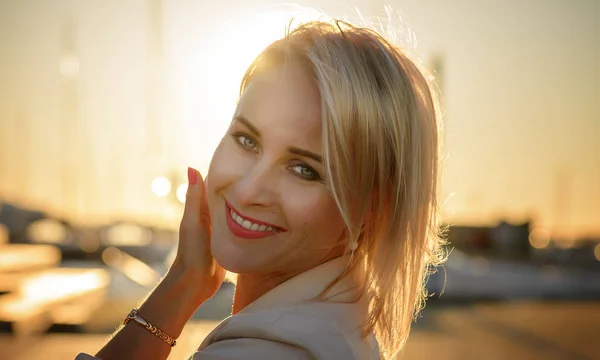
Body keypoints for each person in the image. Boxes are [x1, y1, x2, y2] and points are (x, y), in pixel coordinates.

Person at [77, 19, 445, 360]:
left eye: (304, 169)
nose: (250, 189)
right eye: (247, 140)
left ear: (372, 208)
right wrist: (186, 280)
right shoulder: (338, 330)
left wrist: (178, 290)